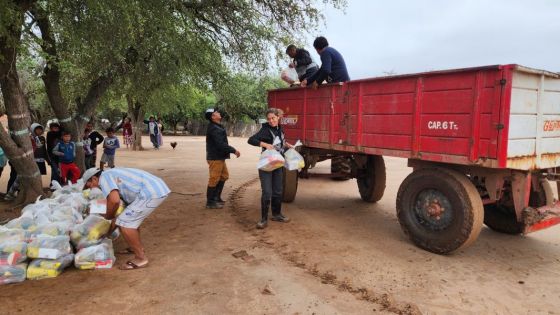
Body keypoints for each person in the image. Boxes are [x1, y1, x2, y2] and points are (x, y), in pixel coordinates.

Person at [82, 167, 170, 270]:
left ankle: (141, 258)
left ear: (94, 179)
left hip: (150, 192)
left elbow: (114, 201)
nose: (91, 188)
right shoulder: (110, 174)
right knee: (128, 219)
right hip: (155, 188)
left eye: (90, 185)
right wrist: (108, 232)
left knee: (125, 223)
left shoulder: (104, 178)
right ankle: (135, 247)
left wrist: (107, 216)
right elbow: (118, 213)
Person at [248, 108, 293, 229]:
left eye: (273, 118)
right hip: (266, 165)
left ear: (278, 117)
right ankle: (263, 219)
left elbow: (280, 142)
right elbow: (250, 140)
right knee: (267, 192)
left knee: (278, 191)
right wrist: (265, 145)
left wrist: (287, 145)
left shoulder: (280, 129)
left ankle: (277, 214)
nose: (271, 121)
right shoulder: (265, 129)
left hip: (277, 164)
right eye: (269, 119)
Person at [205, 108, 240, 209]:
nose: (219, 113)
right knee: (214, 179)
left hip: (219, 156)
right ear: (212, 117)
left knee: (224, 176)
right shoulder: (214, 128)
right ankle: (210, 202)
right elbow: (221, 144)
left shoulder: (217, 126)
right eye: (216, 113)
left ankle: (216, 197)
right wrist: (233, 150)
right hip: (215, 158)